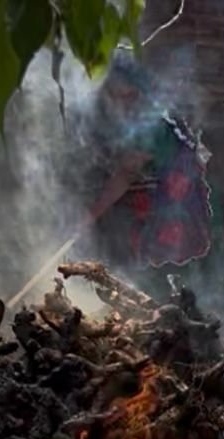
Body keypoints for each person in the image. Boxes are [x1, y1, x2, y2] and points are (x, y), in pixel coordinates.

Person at [82, 55, 213, 286]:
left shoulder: (153, 125)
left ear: (139, 93)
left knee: (161, 285)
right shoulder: (130, 119)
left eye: (127, 96)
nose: (121, 104)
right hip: (159, 211)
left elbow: (126, 175)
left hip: (173, 216)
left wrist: (86, 219)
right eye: (113, 96)